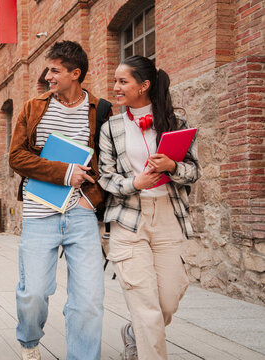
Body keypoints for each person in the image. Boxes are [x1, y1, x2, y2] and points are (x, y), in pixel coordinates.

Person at [9, 41, 109, 360]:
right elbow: (16, 157)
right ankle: (29, 339)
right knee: (34, 293)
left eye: (55, 70)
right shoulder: (33, 108)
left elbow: (111, 163)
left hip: (81, 213)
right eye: (48, 69)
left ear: (74, 74)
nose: (48, 76)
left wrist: (91, 201)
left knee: (89, 301)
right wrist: (64, 173)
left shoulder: (101, 110)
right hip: (40, 212)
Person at [98, 55, 201, 360]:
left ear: (143, 86)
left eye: (122, 81)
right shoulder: (111, 127)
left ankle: (133, 333)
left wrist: (172, 166)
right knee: (146, 308)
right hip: (128, 220)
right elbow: (105, 177)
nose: (116, 87)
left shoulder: (176, 123)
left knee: (166, 302)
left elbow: (194, 172)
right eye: (115, 81)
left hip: (168, 216)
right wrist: (135, 184)